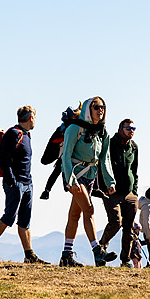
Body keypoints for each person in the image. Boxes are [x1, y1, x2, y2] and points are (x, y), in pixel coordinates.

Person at [0, 106, 48, 264]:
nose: (35, 121)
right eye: (35, 118)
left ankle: (29, 255)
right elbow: (4, 160)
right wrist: (11, 182)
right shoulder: (13, 134)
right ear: (30, 118)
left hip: (27, 183)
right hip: (16, 183)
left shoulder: (26, 135)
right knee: (8, 217)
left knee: (25, 221)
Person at [59, 96, 117, 267]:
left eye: (103, 107)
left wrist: (109, 182)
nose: (100, 110)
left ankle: (66, 255)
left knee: (75, 215)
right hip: (75, 175)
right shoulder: (74, 129)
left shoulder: (103, 132)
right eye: (96, 106)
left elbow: (105, 158)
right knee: (89, 210)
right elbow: (66, 157)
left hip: (90, 176)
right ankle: (97, 251)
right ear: (88, 109)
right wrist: (71, 180)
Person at [97, 118, 139, 268]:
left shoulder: (133, 147)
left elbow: (134, 170)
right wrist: (104, 187)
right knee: (116, 222)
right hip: (111, 192)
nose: (131, 131)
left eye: (134, 128)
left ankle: (125, 260)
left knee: (128, 227)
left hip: (129, 194)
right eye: (128, 128)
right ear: (121, 128)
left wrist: (134, 192)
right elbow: (101, 165)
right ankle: (100, 249)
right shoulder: (109, 144)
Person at [39, 106, 79, 200]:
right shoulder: (66, 128)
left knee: (58, 170)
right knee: (58, 170)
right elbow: (54, 141)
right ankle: (48, 190)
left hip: (65, 154)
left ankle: (48, 190)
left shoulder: (66, 127)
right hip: (63, 154)